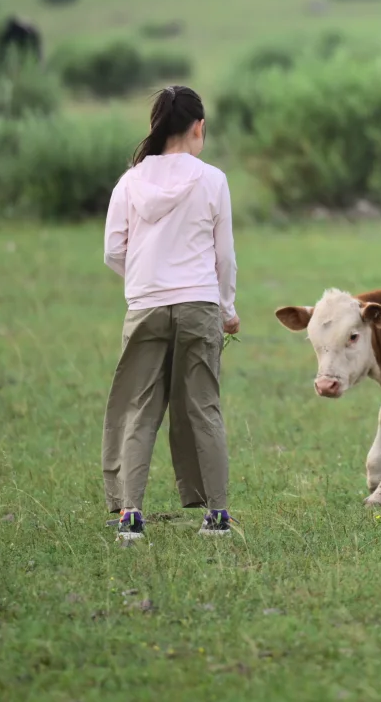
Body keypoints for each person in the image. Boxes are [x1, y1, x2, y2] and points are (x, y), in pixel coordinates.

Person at [101, 86, 238, 540]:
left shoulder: (130, 181)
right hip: (200, 303)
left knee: (139, 410)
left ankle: (130, 517)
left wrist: (144, 280)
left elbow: (113, 250)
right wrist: (227, 308)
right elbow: (224, 257)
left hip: (145, 305)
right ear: (200, 127)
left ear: (157, 127)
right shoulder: (213, 179)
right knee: (204, 408)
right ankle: (217, 516)